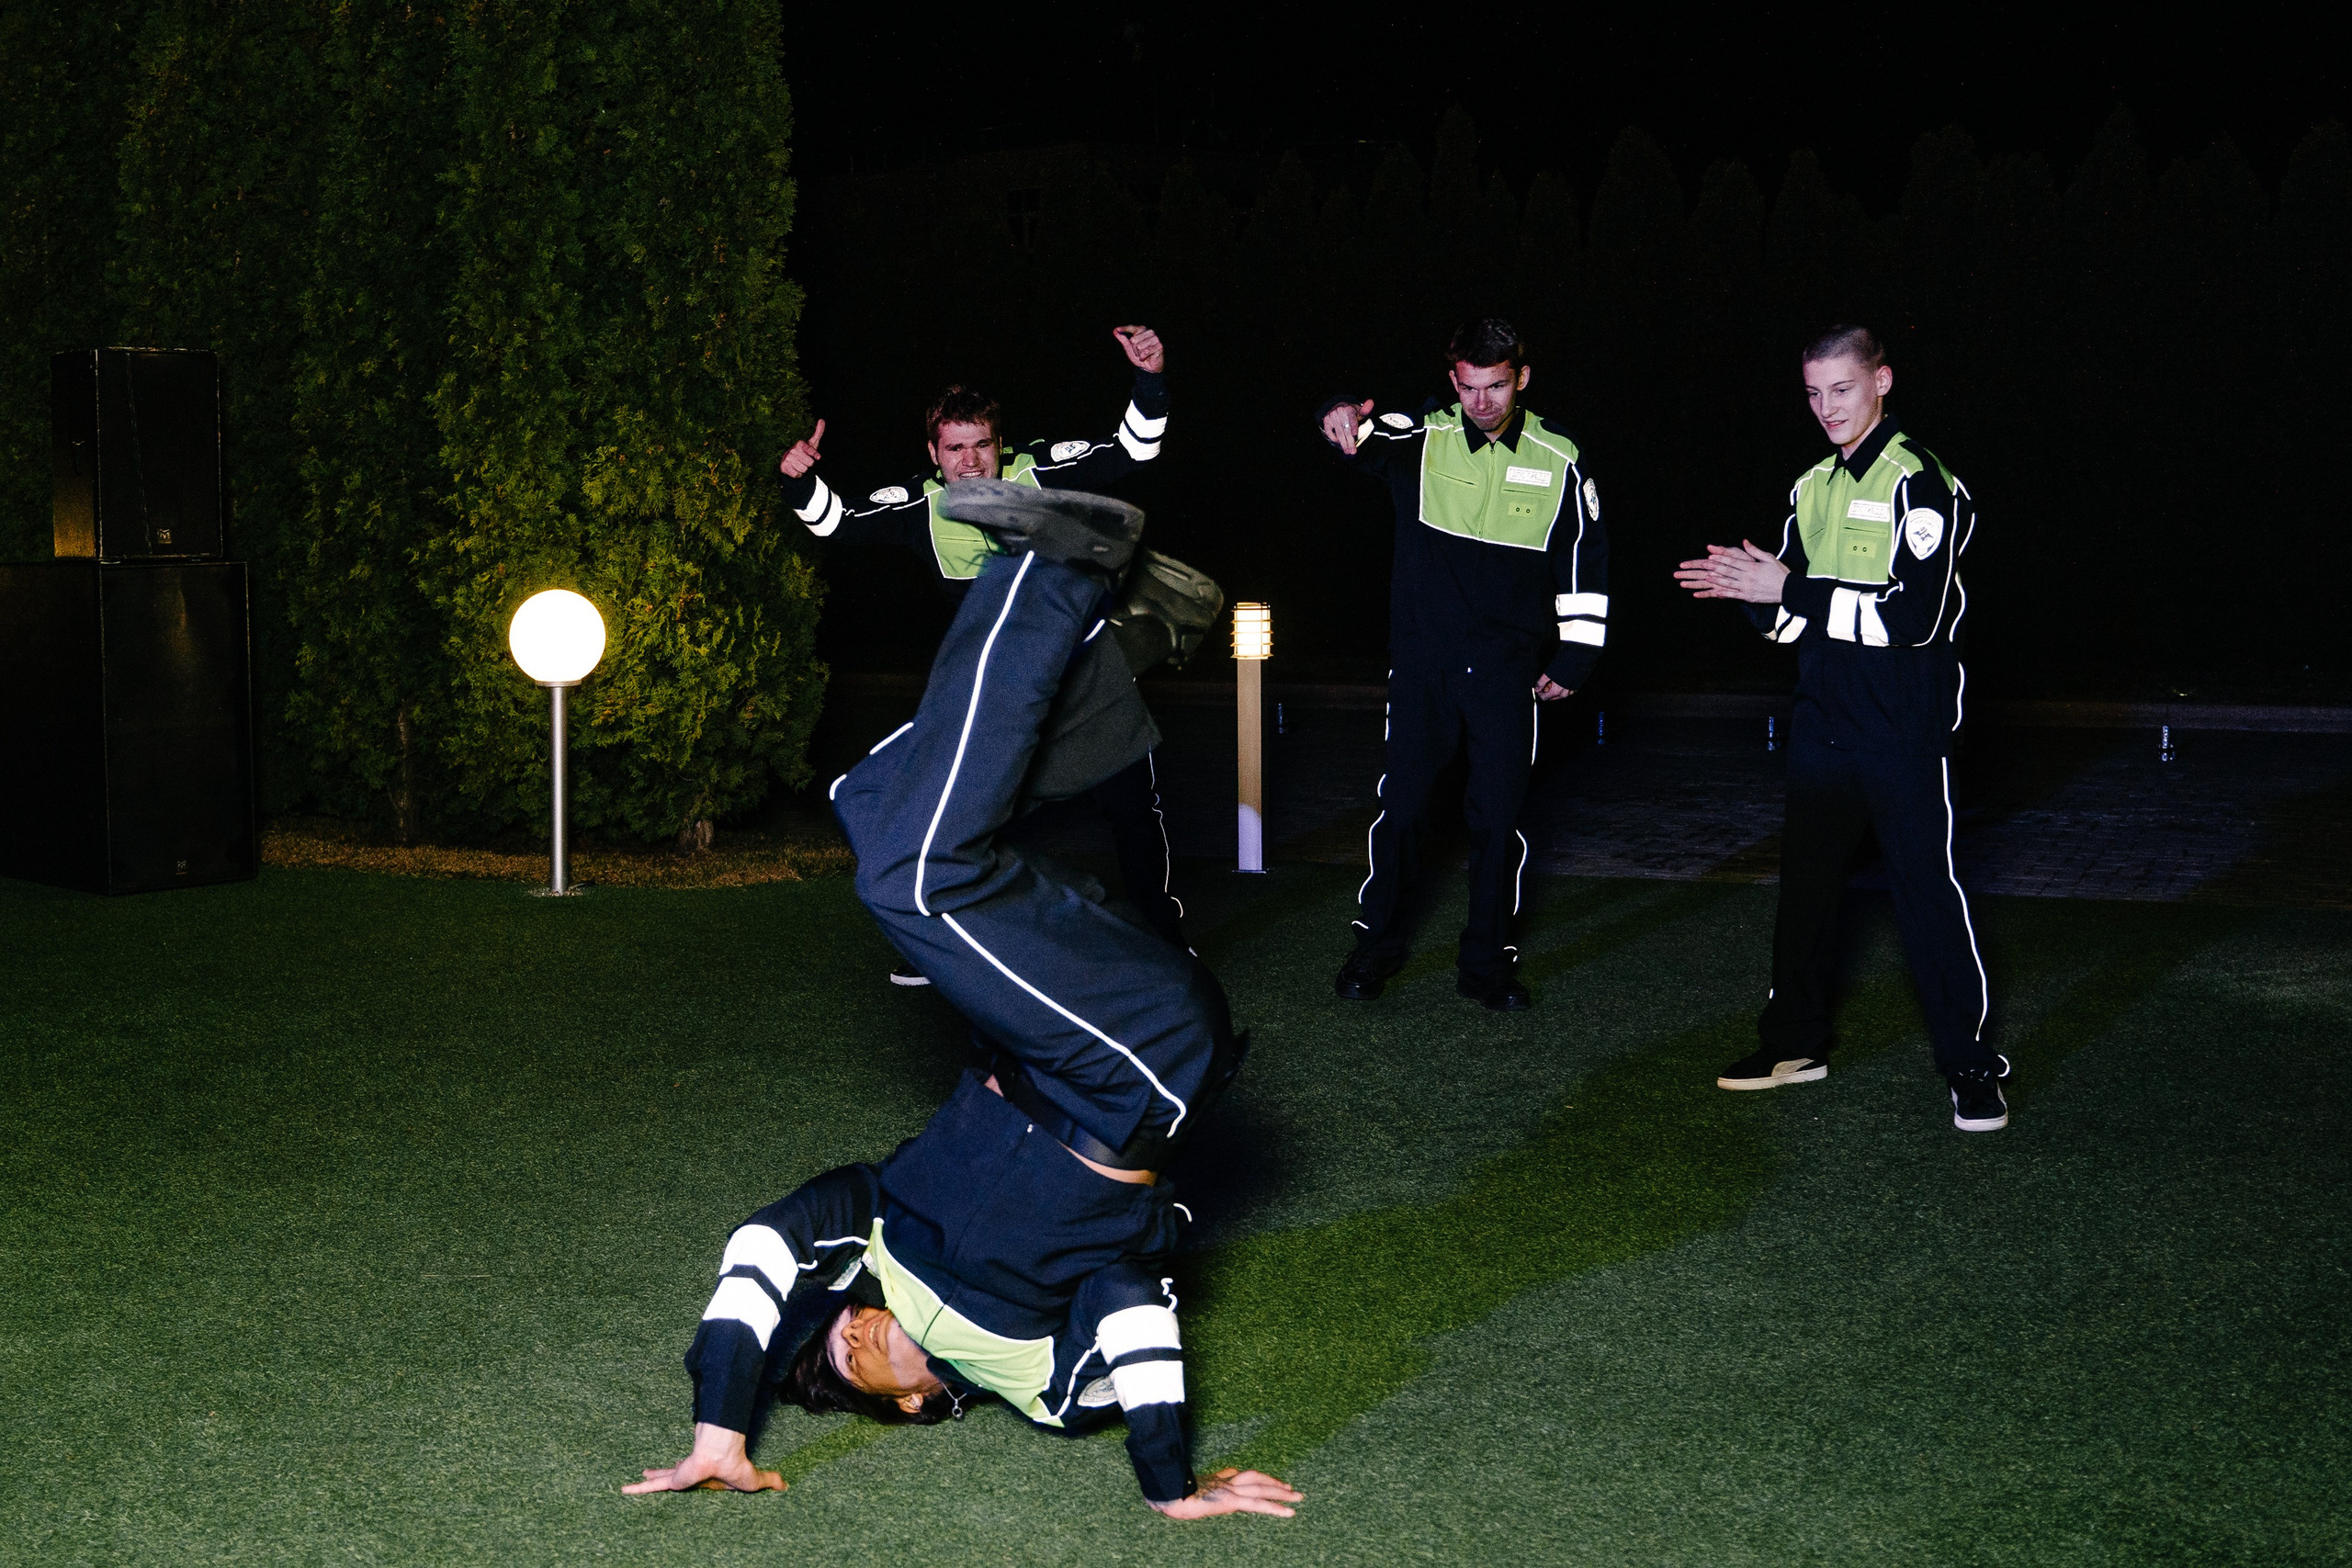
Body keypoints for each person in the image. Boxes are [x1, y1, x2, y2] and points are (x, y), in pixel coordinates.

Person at [626, 482, 1299, 1519]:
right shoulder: (1040, 1386)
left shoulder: (880, 1229)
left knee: (868, 802)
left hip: (1048, 1029)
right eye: (852, 1361)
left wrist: (719, 1425)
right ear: (911, 1405)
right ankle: (1061, 565)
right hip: (1138, 1072)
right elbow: (1130, 1303)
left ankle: (1127, 635)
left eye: (842, 1326)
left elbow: (762, 1249)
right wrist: (1168, 1482)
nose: (853, 1329)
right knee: (910, 879)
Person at [1672, 324, 2005, 1133]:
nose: (1826, 407)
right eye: (1814, 393)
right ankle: (1794, 1045)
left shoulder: (1922, 481)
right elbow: (1795, 621)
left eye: (1843, 389)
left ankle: (1971, 1068)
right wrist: (1749, 594)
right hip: (1823, 725)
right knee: (1806, 897)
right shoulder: (1810, 486)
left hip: (1904, 731)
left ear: (1882, 381)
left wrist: (1790, 589)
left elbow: (1915, 619)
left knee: (1927, 899)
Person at [779, 327, 1191, 976]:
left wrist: (1150, 380)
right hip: (1000, 690)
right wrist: (800, 481)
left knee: (1134, 809)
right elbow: (837, 523)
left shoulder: (1041, 471)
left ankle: (1166, 946)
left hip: (1087, 677)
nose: (970, 462)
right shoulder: (922, 505)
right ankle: (950, 946)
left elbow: (1135, 449)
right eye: (955, 448)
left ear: (1002, 445)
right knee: (963, 818)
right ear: (934, 453)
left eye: (981, 446)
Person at [1315, 318, 1609, 1012]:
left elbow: (1584, 559)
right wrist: (1335, 411)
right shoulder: (1420, 436)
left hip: (1508, 672)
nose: (1481, 402)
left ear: (1521, 378)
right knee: (1403, 811)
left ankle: (1487, 965)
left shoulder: (1561, 455)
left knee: (1496, 822)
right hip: (1425, 666)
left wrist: (1577, 654)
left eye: (1496, 386)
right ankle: (1375, 947)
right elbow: (1353, 432)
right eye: (1469, 387)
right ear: (1452, 381)